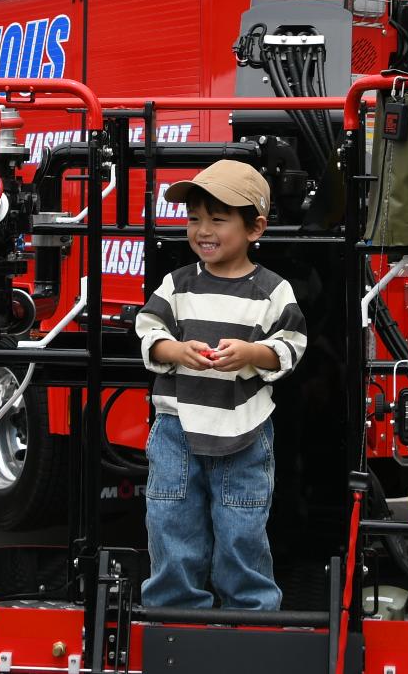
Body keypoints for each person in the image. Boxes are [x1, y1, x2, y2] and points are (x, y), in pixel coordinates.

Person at [133, 161, 306, 612]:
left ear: (256, 228)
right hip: (175, 429)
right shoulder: (177, 284)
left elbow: (291, 347)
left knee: (242, 529)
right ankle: (175, 611)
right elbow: (148, 328)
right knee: (171, 521)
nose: (202, 230)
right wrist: (174, 350)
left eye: (217, 218)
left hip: (245, 432)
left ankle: (250, 614)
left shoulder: (273, 291)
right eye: (194, 218)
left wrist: (253, 354)